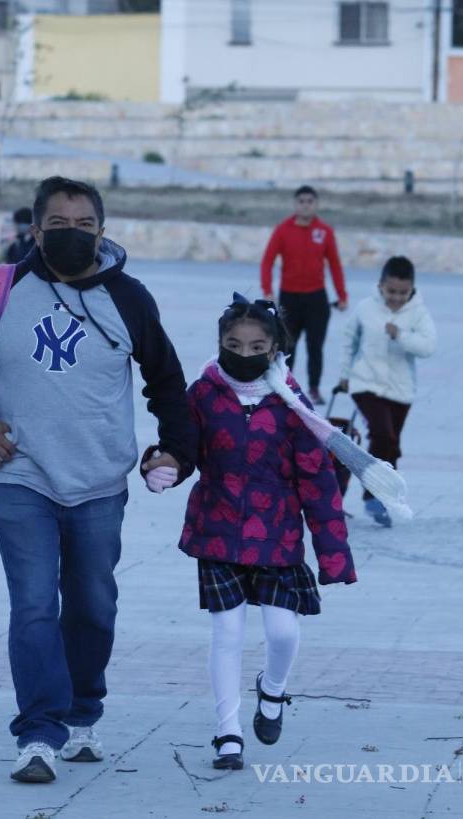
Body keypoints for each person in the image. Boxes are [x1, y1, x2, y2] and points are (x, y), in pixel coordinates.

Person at [0, 176, 197, 784]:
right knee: (34, 605)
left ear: (102, 233)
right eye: (58, 226)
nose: (71, 235)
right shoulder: (3, 290)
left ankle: (83, 710)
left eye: (84, 226)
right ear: (35, 232)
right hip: (19, 477)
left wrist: (175, 451)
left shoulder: (130, 299)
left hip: (98, 482)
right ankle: (38, 732)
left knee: (92, 605)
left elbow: (167, 382)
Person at [165, 294, 357, 772]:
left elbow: (319, 481)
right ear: (219, 343)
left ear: (274, 349)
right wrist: (164, 465)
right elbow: (183, 446)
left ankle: (271, 689)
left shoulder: (293, 403)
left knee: (283, 632)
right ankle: (227, 733)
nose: (243, 354)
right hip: (218, 529)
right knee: (227, 630)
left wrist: (333, 555)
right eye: (233, 344)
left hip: (277, 536)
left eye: (255, 346)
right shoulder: (203, 393)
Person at [338, 256, 436, 527]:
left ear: (412, 289)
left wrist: (401, 335)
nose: (396, 298)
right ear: (381, 286)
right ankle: (372, 496)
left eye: (403, 293)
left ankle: (384, 496)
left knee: (391, 444)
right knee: (382, 433)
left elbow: (428, 347)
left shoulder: (418, 312)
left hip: (401, 390)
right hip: (365, 383)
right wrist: (345, 374)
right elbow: (349, 340)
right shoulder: (365, 308)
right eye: (391, 291)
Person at [260, 185, 348, 405]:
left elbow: (335, 264)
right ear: (295, 204)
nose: (305, 205)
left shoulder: (325, 231)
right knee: (287, 348)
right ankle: (284, 387)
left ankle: (314, 389)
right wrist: (268, 290)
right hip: (289, 299)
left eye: (310, 201)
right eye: (301, 201)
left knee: (315, 347)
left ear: (316, 204)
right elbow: (267, 261)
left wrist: (342, 294)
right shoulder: (282, 230)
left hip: (316, 299)